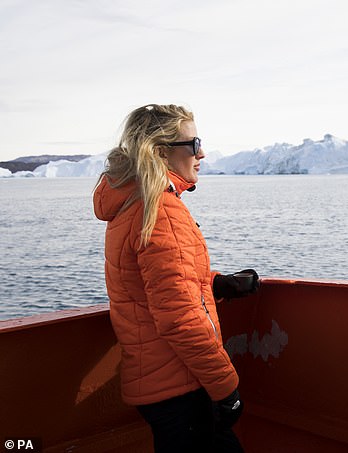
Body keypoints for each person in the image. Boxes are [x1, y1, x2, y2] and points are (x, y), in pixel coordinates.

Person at [93, 104, 260, 452]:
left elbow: (150, 281)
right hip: (181, 386)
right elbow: (179, 318)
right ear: (160, 151)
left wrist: (215, 284)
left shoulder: (130, 204)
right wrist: (226, 387)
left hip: (157, 383)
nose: (202, 153)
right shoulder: (161, 210)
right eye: (194, 143)